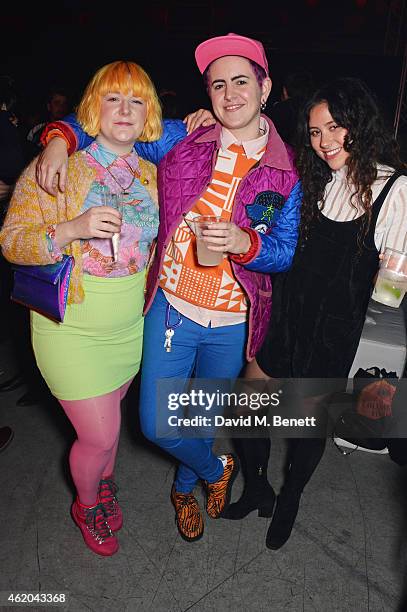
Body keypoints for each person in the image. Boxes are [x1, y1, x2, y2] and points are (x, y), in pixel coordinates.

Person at [34, 33, 302, 543]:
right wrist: (56, 139)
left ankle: (184, 491)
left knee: (198, 417)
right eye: (217, 84)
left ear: (265, 88)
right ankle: (212, 471)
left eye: (241, 81)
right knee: (158, 423)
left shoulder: (287, 171)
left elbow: (284, 252)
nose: (229, 94)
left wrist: (247, 242)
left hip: (230, 321)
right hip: (171, 307)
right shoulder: (183, 138)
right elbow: (106, 123)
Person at [224, 77, 407, 550]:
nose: (324, 142)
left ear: (359, 126)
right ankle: (258, 484)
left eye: (334, 127)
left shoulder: (393, 190)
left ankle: (290, 497)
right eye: (314, 132)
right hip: (287, 315)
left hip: (330, 330)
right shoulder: (315, 179)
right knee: (247, 405)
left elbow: (392, 289)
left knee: (306, 427)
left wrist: (385, 278)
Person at [0, 60, 171, 557]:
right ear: (93, 107)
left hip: (129, 324)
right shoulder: (58, 164)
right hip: (70, 325)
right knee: (99, 434)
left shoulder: (154, 171)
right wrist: (71, 229)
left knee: (111, 421)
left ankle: (103, 478)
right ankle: (86, 502)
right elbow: (12, 241)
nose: (124, 109)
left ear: (149, 114)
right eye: (112, 98)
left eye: (136, 100)